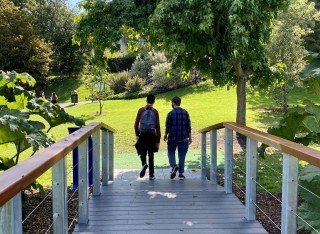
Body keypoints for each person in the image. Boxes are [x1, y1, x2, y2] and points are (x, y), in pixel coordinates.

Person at [164, 96, 192, 180]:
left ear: (173, 103)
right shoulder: (185, 113)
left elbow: (168, 126)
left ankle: (173, 166)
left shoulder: (170, 114)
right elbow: (188, 127)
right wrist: (190, 138)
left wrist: (165, 135)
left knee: (171, 152)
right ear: (180, 102)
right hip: (183, 137)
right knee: (182, 155)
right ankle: (181, 173)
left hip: (172, 137)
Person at [134, 94, 161, 180]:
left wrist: (137, 134)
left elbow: (135, 124)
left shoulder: (141, 110)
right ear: (154, 101)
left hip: (143, 134)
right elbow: (158, 127)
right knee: (151, 154)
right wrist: (158, 140)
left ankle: (144, 164)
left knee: (142, 150)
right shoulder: (155, 111)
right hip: (152, 134)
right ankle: (151, 174)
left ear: (146, 100)